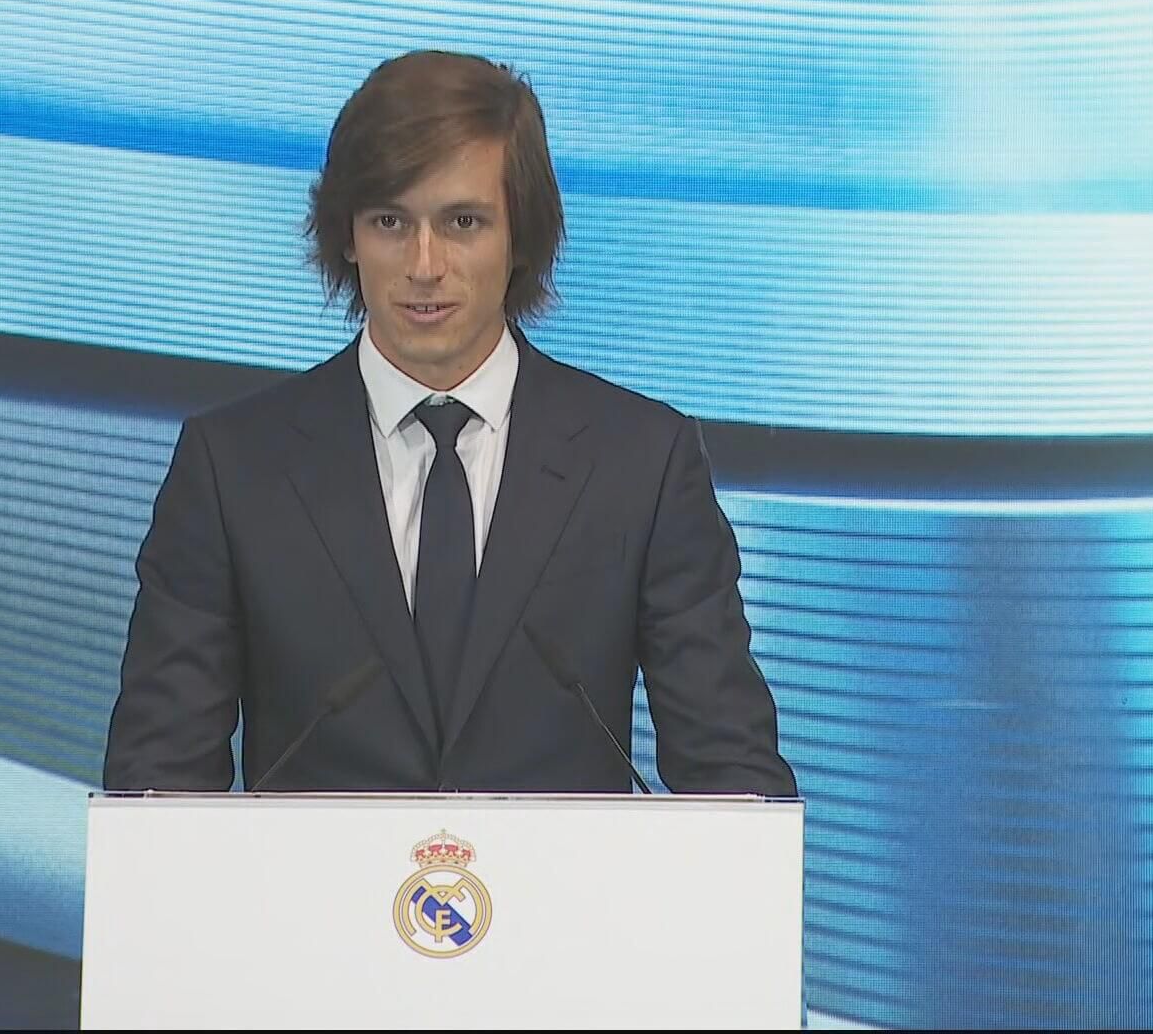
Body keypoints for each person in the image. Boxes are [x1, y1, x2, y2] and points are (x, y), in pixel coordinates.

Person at [102, 50, 796, 797]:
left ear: (520, 235)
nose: (424, 264)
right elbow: (157, 787)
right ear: (347, 236)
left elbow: (734, 780)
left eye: (462, 221)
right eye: (391, 222)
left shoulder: (643, 465)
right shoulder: (231, 468)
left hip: (564, 913)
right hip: (313, 912)